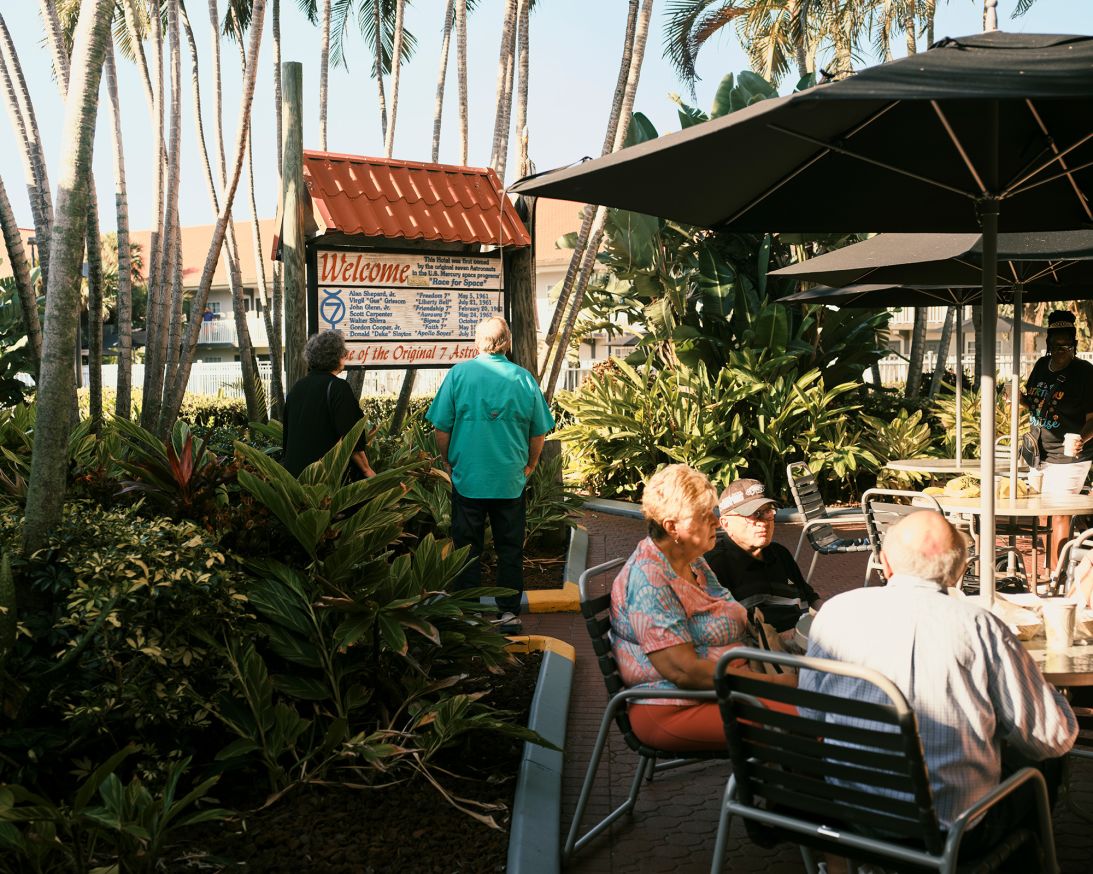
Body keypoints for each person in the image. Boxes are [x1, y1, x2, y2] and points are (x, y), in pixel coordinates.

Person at [800, 510, 1076, 859]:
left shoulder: (835, 613)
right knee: (1041, 761)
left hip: (853, 812)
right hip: (951, 833)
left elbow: (811, 711)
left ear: (885, 563)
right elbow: (1052, 738)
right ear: (959, 570)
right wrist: (1051, 693)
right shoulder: (979, 627)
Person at [610, 464, 796, 752]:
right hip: (676, 706)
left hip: (728, 686)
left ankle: (782, 792)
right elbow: (685, 672)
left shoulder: (691, 559)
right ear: (673, 527)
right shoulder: (649, 579)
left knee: (825, 698)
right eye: (704, 515)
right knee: (812, 719)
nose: (716, 521)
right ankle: (780, 794)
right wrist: (769, 684)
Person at [425, 316, 554, 630]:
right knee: (509, 549)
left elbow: (441, 428)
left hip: (468, 478)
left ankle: (468, 612)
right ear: (507, 343)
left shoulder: (458, 375)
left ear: (475, 342)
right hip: (510, 481)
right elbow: (539, 432)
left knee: (466, 547)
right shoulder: (523, 379)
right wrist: (531, 465)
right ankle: (508, 612)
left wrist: (448, 461)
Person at [704, 477, 822, 636]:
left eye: (768, 512)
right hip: (759, 654)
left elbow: (811, 600)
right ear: (725, 524)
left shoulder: (780, 554)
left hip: (803, 641)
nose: (764, 522)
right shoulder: (715, 565)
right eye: (753, 515)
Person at [1021, 309, 1093, 568]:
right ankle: (1052, 567)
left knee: (1059, 514)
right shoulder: (1041, 365)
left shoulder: (1085, 372)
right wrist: (1016, 399)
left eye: (1067, 345)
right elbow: (1032, 402)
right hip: (1038, 452)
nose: (1062, 349)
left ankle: (1056, 574)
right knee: (1042, 515)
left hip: (1070, 456)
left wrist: (1081, 439)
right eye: (1056, 344)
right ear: (1048, 344)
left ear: (1075, 344)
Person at [282, 329, 375, 480]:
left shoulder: (297, 388)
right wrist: (367, 471)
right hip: (325, 479)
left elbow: (287, 437)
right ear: (337, 357)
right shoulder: (338, 387)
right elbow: (351, 437)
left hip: (294, 479)